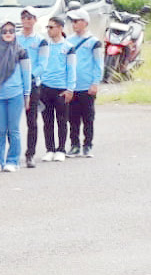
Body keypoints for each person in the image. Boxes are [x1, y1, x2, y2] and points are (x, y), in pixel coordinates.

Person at [0, 21, 31, 173]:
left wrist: (27, 95)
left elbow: (26, 75)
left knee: (13, 129)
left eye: (11, 31)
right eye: (4, 31)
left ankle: (13, 160)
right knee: (0, 130)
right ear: (0, 33)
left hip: (16, 95)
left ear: (14, 34)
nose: (7, 33)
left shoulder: (21, 52)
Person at [34, 17, 75, 163]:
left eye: (52, 27)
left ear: (60, 28)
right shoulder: (44, 45)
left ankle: (61, 149)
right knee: (47, 120)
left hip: (61, 88)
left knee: (62, 120)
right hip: (45, 87)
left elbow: (71, 69)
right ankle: (49, 149)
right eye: (48, 27)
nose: (49, 30)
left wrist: (70, 88)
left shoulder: (68, 47)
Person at [66, 10, 103, 158]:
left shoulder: (94, 42)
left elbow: (98, 63)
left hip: (87, 86)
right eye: (73, 21)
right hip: (73, 86)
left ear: (85, 22)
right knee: (72, 118)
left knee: (88, 117)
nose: (74, 24)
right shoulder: (68, 41)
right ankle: (74, 145)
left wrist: (95, 82)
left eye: (77, 21)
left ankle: (88, 145)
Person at [16, 8, 44, 167]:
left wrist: (29, 76)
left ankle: (30, 154)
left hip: (33, 84)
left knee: (31, 120)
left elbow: (42, 64)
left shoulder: (40, 40)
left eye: (30, 17)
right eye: (24, 17)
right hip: (15, 84)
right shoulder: (15, 38)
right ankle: (13, 154)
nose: (26, 20)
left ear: (35, 20)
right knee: (11, 122)